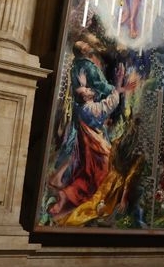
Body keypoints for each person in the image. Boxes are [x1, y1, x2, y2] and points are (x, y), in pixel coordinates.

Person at [48, 63, 138, 217]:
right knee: (99, 173)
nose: (90, 89)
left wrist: (84, 84)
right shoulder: (91, 110)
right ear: (86, 97)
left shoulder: (82, 106)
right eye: (87, 90)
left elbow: (104, 98)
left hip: (91, 143)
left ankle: (68, 194)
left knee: (91, 173)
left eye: (88, 88)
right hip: (95, 146)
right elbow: (109, 105)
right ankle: (69, 196)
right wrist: (118, 82)